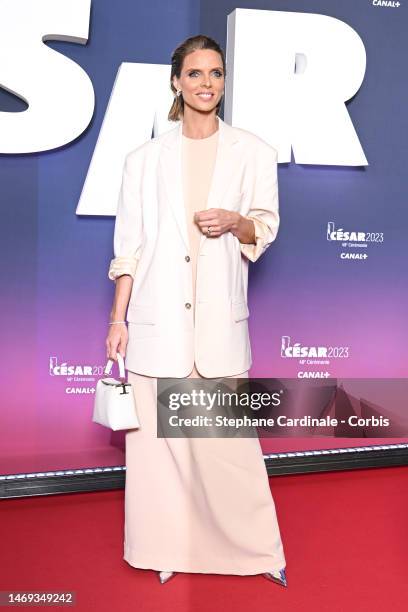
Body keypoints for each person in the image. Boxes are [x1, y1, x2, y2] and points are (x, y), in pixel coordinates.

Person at [106, 34, 287, 586]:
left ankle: (257, 553)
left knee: (228, 452)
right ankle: (164, 548)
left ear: (223, 81)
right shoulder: (144, 158)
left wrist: (234, 222)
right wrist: (118, 319)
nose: (207, 84)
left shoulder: (253, 150)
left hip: (216, 323)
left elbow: (267, 227)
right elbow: (129, 247)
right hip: (156, 322)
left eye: (216, 73)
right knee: (157, 456)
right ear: (176, 82)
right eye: (195, 74)